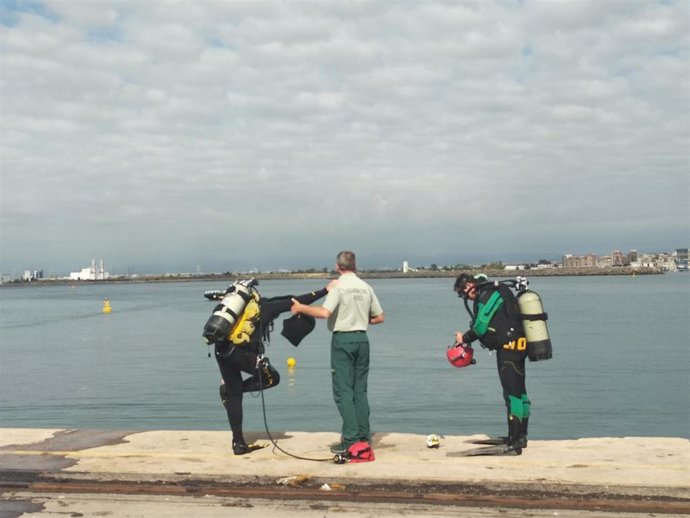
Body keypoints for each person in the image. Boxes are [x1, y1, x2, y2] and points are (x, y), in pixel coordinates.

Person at [207, 281, 334, 455]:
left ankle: (238, 443)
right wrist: (325, 290)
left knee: (234, 394)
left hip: (221, 352)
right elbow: (295, 301)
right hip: (241, 354)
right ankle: (231, 391)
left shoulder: (228, 309)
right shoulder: (265, 307)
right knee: (272, 377)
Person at [290, 251, 385, 454]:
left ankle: (350, 439)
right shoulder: (365, 287)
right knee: (360, 389)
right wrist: (358, 318)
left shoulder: (338, 286)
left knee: (343, 391)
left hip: (343, 340)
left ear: (337, 266)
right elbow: (379, 317)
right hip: (362, 339)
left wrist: (301, 308)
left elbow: (325, 313)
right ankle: (364, 436)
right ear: (355, 265)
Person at [454, 273, 531, 453]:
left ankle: (514, 442)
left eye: (464, 290)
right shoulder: (497, 290)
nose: (465, 295)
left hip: (509, 348)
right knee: (519, 391)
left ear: (471, 284)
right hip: (519, 345)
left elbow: (481, 325)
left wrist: (464, 338)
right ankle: (521, 436)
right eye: (461, 294)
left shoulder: (488, 294)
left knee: (512, 394)